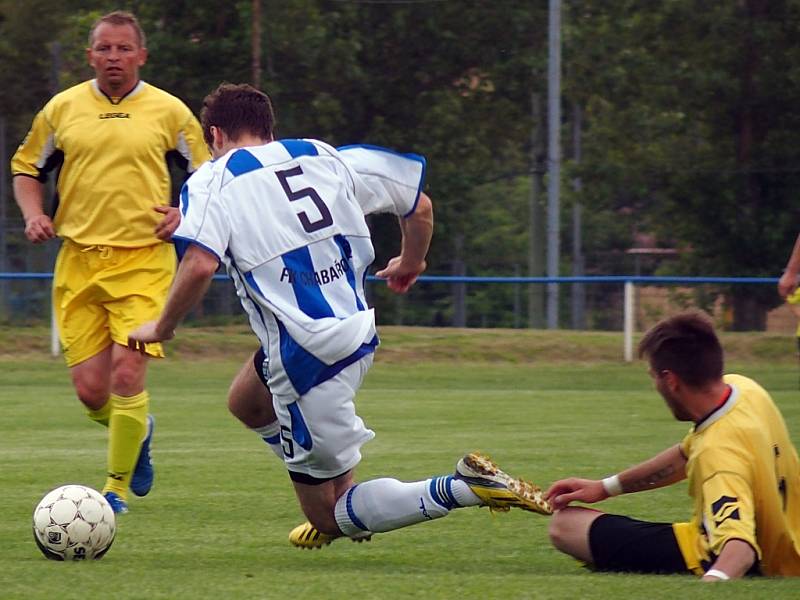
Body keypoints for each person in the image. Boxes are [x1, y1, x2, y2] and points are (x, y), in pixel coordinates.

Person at [128, 82, 552, 547]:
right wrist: (412, 262)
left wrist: (161, 327)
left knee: (329, 517)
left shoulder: (212, 179)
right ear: (269, 127)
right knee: (245, 402)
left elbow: (201, 263)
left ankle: (461, 487)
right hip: (355, 332)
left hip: (306, 356)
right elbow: (420, 205)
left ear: (214, 134)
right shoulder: (322, 155)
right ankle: (334, 480)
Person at [10, 11, 210, 514]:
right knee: (91, 392)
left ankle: (114, 490)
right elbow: (25, 168)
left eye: (124, 49)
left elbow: (213, 176)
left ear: (142, 55)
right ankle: (138, 429)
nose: (114, 58)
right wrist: (35, 214)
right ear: (90, 55)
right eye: (105, 49)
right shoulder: (62, 108)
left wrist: (185, 214)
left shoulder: (170, 111)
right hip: (78, 262)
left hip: (145, 262)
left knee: (127, 376)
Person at [545, 311, 800, 579]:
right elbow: (683, 456)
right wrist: (604, 488)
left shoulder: (717, 453)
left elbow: (741, 549)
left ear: (670, 380)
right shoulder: (746, 390)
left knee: (565, 526)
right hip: (790, 540)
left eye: (653, 376)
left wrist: (715, 580)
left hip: (741, 560)